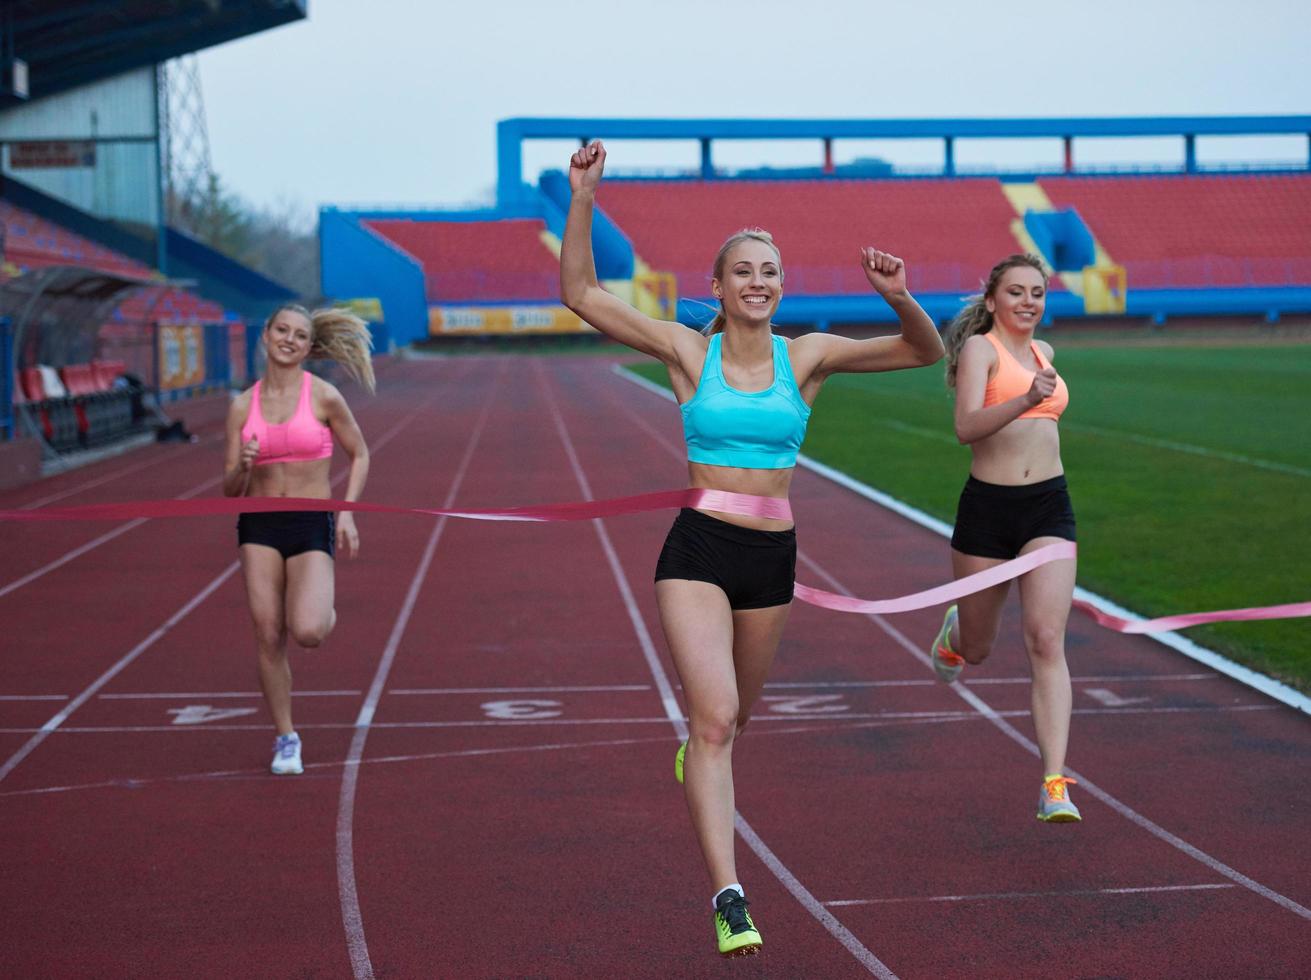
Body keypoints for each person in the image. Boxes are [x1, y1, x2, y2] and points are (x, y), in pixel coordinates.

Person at [560, 141, 944, 958]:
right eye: (744, 271)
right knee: (717, 718)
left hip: (771, 560)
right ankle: (729, 895)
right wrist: (584, 197)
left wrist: (899, 296)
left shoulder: (804, 357)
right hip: (697, 551)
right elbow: (581, 294)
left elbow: (924, 352)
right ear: (718, 286)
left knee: (734, 722)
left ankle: (698, 750)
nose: (759, 282)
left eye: (770, 271)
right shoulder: (685, 351)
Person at [928, 253, 1081, 822]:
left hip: (1049, 508)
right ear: (993, 300)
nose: (1027, 302)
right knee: (980, 649)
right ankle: (954, 636)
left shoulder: (1047, 354)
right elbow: (966, 427)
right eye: (1015, 292)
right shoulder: (979, 350)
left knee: (1046, 639)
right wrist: (1024, 398)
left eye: (1037, 293)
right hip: (989, 512)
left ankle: (1054, 784)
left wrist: (1036, 393)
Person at [223, 305, 374, 775]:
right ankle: (286, 737)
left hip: (310, 522)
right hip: (259, 526)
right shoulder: (241, 406)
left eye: (300, 335)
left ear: (310, 347)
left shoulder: (324, 397)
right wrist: (244, 464)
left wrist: (345, 514)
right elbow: (229, 489)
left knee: (306, 631)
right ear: (265, 335)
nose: (289, 339)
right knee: (268, 634)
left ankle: (322, 605)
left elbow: (361, 453)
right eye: (281, 330)